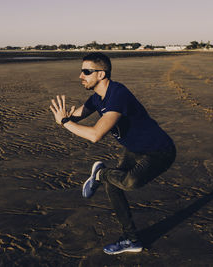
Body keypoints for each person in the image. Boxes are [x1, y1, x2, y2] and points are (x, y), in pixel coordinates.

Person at [49, 52, 176, 255]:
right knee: (114, 186)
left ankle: (99, 174)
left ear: (102, 74)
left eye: (86, 72)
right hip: (133, 150)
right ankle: (131, 239)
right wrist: (65, 117)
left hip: (159, 151)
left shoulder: (118, 95)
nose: (80, 76)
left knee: (130, 182)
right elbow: (76, 116)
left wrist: (65, 123)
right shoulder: (97, 98)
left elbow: (96, 135)